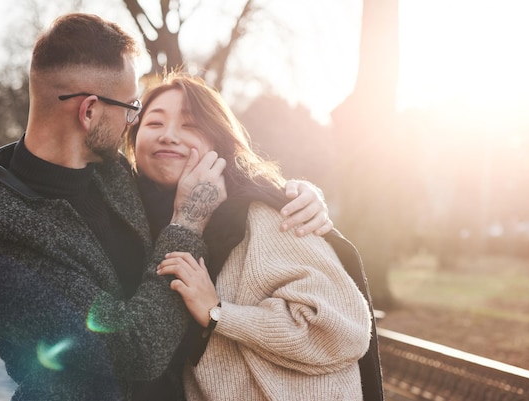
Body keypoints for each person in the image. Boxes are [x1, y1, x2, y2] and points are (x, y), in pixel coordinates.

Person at [0, 13, 333, 401]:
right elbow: (136, 348)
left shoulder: (111, 170)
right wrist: (187, 222)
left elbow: (202, 172)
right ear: (90, 111)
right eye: (131, 106)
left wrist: (294, 193)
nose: (134, 120)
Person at [123, 72, 384, 401]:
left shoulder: (264, 214)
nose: (169, 136)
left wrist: (218, 312)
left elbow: (341, 330)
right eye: (154, 124)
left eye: (189, 125)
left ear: (218, 142)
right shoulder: (133, 215)